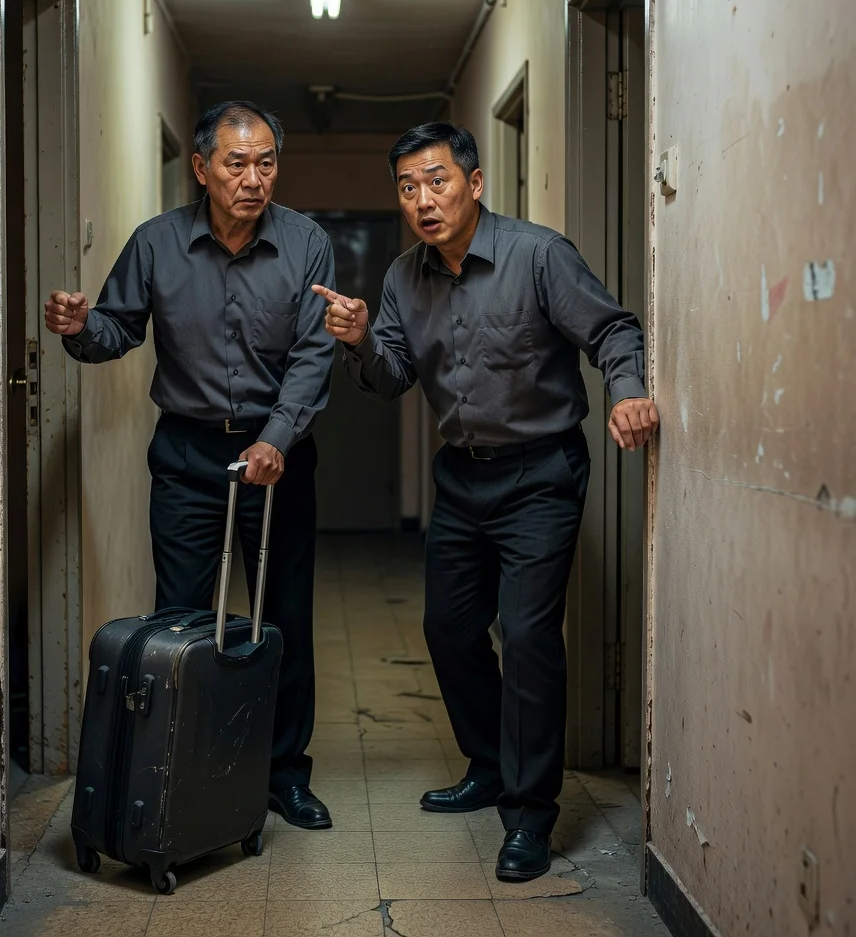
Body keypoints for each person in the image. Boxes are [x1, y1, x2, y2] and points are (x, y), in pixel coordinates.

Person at [314, 122, 659, 879]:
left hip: (542, 473)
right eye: (407, 187)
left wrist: (628, 392)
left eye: (437, 181)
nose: (422, 200)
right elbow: (393, 376)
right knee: (449, 628)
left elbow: (613, 331)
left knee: (531, 639)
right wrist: (362, 338)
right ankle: (489, 763)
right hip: (462, 477)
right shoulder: (405, 278)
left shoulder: (539, 254)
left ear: (475, 182)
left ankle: (531, 815)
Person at [45, 100, 337, 830]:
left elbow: (312, 354)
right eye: (237, 163)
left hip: (279, 456)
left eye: (266, 162)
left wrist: (276, 438)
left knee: (282, 620)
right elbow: (119, 327)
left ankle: (283, 774)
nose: (253, 178)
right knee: (184, 619)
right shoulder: (156, 243)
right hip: (187, 453)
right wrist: (82, 328)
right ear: (202, 168)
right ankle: (186, 766)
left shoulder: (306, 243)